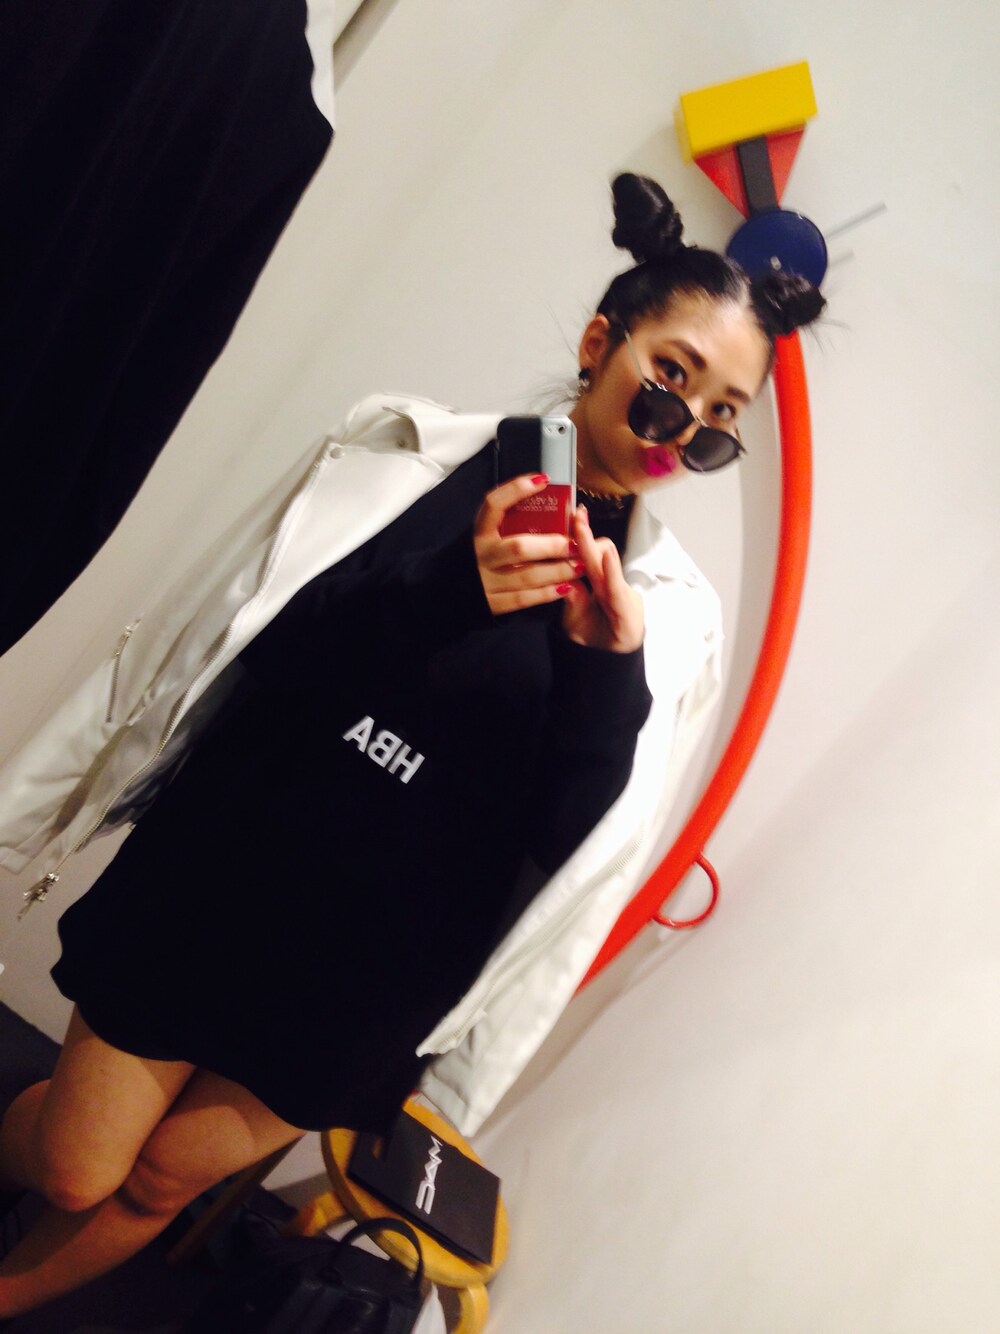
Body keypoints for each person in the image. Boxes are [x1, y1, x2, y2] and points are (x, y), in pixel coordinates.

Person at [0, 173, 824, 1318]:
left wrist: (606, 673)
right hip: (229, 869)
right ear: (601, 343)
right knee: (76, 1161)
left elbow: (566, 836)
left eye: (719, 418)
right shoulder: (405, 457)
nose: (679, 429)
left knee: (157, 1183)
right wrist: (444, 588)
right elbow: (258, 661)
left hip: (379, 971)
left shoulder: (668, 619)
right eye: (670, 378)